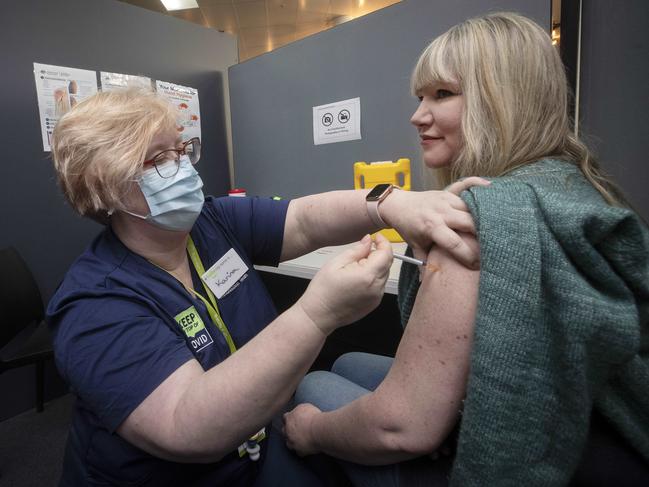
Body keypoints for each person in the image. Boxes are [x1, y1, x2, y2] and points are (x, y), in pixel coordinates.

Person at [46, 88, 487, 486]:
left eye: (181, 150)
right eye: (159, 159)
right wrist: (318, 315)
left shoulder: (210, 223)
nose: (181, 166)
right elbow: (189, 425)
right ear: (106, 186)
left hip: (254, 446)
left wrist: (391, 202)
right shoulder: (93, 305)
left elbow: (305, 218)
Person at [284, 11, 649, 486]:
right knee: (352, 362)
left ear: (503, 100)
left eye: (442, 94)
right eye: (420, 96)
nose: (418, 115)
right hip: (610, 435)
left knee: (314, 384)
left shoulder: (480, 218)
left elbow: (401, 427)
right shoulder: (577, 185)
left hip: (559, 457)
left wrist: (310, 429)